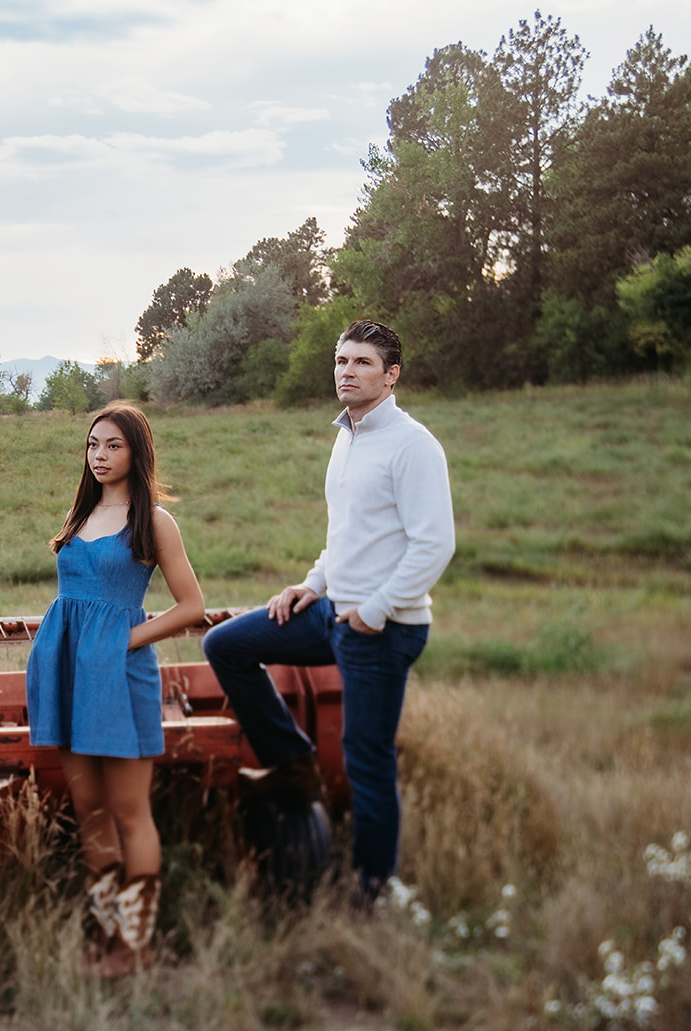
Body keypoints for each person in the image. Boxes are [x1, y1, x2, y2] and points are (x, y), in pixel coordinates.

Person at [202, 319, 454, 907]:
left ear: (391, 376)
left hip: (381, 628)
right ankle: (293, 763)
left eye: (363, 363)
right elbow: (347, 533)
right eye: (341, 361)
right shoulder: (347, 436)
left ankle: (373, 889)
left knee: (367, 760)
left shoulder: (414, 444)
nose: (347, 371)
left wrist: (376, 609)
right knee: (226, 646)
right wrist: (311, 584)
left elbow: (434, 544)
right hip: (333, 611)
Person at [25, 401, 205, 978]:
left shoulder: (153, 521)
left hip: (118, 675)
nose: (100, 456)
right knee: (90, 811)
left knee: (129, 811)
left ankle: (137, 944)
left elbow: (192, 608)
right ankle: (106, 937)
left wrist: (125, 641)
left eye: (113, 446)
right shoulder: (81, 513)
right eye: (93, 445)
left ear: (136, 452)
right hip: (68, 671)